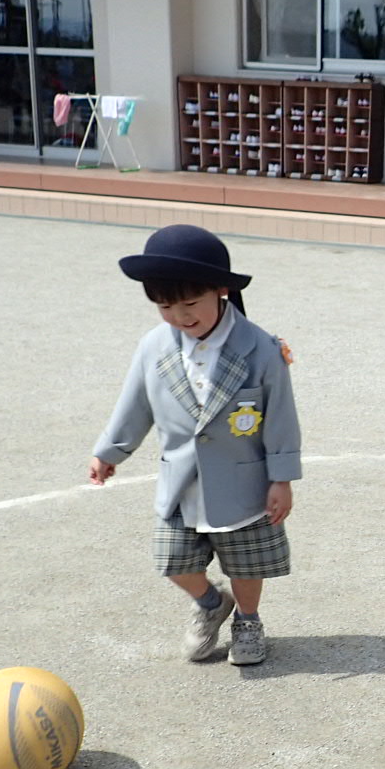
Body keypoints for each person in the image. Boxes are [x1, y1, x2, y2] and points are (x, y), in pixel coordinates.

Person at [89, 225, 302, 666]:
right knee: (173, 560)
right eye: (165, 306)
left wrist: (281, 479)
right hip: (182, 482)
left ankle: (248, 620)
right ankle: (210, 603)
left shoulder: (261, 348)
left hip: (244, 484)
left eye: (190, 304)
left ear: (220, 290)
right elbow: (135, 403)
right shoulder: (153, 346)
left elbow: (281, 416)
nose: (180, 316)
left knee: (246, 565)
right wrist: (110, 451)